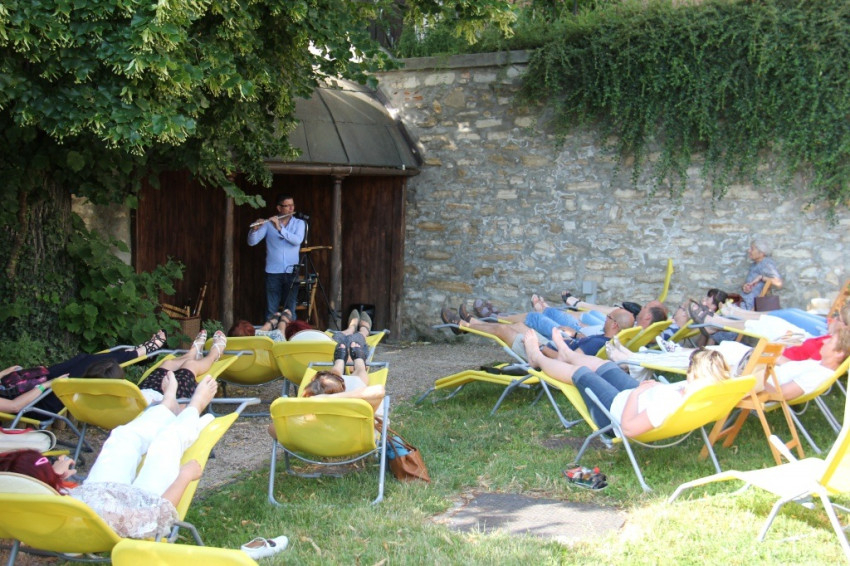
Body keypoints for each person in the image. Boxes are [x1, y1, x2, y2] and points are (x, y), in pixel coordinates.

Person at [0, 373, 220, 539]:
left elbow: (30, 488)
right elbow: (157, 518)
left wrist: (54, 479)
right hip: (134, 503)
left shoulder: (30, 504)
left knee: (122, 436)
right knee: (166, 442)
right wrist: (184, 476)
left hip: (95, 493)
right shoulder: (109, 517)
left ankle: (167, 405)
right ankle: (195, 406)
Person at [524, 328, 731, 437]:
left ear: (693, 371)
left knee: (580, 373)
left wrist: (636, 394)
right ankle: (567, 353)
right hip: (639, 398)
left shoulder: (670, 404)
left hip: (614, 412)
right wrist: (655, 388)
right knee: (606, 365)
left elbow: (628, 429)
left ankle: (538, 357)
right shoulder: (704, 390)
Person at [0, 330, 167, 416]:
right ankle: (141, 352)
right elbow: (15, 406)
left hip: (29, 384)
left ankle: (137, 353)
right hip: (38, 402)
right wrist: (46, 385)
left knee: (83, 358)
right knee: (90, 364)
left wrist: (5, 373)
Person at [440, 304, 635, 359]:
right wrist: (576, 335)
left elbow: (569, 360)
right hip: (555, 344)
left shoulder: (598, 344)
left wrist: (539, 347)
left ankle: (461, 325)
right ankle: (470, 323)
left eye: (609, 317)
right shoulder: (605, 340)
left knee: (502, 329)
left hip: (544, 353)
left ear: (615, 325)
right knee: (518, 326)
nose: (606, 318)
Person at [247, 195, 306, 321]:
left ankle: (290, 332)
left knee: (290, 309)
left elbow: (297, 240)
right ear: (279, 208)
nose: (291, 208)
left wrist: (280, 229)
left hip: (292, 271)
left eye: (292, 205)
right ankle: (271, 331)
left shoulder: (299, 223)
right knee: (271, 310)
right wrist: (254, 230)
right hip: (273, 272)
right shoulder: (269, 224)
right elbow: (252, 242)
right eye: (287, 206)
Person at [136, 330, 227, 400]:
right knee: (190, 365)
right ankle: (214, 354)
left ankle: (192, 353)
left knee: (168, 363)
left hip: (141, 393)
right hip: (167, 401)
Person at [740, 238, 783, 310]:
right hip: (745, 302)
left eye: (752, 249)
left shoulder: (766, 263)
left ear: (761, 253)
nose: (749, 251)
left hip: (751, 306)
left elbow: (779, 283)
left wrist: (762, 277)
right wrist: (745, 287)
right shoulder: (754, 264)